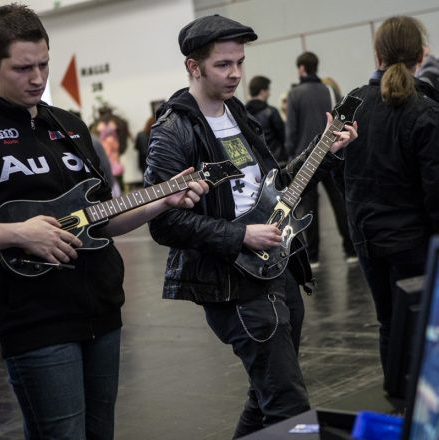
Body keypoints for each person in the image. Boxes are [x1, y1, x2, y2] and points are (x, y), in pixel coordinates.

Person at [0, 4, 208, 439]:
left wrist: (162, 200)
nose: (37, 78)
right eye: (22, 68)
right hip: (34, 317)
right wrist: (18, 233)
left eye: (43, 65)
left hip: (100, 308)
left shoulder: (70, 127)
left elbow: (103, 219)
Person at [144, 15, 357, 438]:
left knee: (266, 399)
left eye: (239, 62)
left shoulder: (238, 115)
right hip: (232, 282)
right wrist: (240, 235)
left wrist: (324, 149)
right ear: (193, 66)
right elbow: (164, 222)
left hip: (277, 269)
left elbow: (276, 187)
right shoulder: (173, 130)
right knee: (288, 405)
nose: (236, 73)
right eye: (223, 64)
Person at [333, 16, 439, 391]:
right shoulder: (424, 111)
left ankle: (397, 400)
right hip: (413, 242)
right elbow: (435, 192)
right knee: (423, 326)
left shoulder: (352, 103)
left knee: (389, 324)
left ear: (376, 53)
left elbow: (333, 168)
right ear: (421, 55)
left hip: (367, 237)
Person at [285, 51, 357, 267]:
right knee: (339, 203)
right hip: (331, 154)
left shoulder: (295, 94)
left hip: (306, 160)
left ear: (301, 69)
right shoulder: (330, 90)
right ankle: (351, 250)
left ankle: (313, 256)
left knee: (308, 207)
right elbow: (343, 118)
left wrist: (291, 158)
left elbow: (291, 130)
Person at [246, 75, 287, 166]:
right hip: (277, 160)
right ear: (262, 91)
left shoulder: (243, 113)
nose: (270, 93)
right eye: (268, 90)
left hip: (257, 163)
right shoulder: (271, 112)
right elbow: (284, 136)